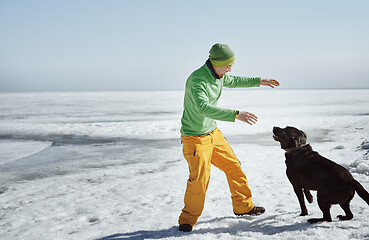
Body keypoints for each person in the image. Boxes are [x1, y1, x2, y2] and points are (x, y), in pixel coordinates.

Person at [178, 43, 280, 232]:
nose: (230, 68)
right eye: (228, 65)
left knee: (233, 166)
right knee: (199, 179)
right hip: (195, 139)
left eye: (231, 64)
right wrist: (236, 114)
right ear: (215, 63)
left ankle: (243, 207)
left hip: (213, 134)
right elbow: (203, 108)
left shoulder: (219, 75)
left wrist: (259, 81)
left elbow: (235, 80)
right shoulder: (197, 80)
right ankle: (187, 219)